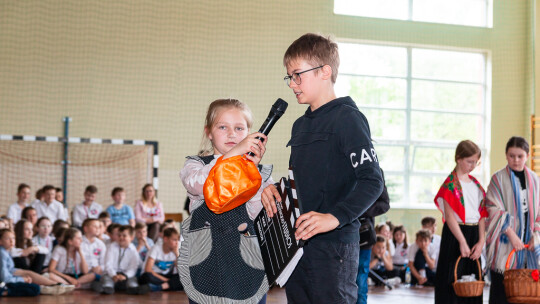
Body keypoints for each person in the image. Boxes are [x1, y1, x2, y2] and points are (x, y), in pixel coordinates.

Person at [261, 33, 383, 304]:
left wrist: (334, 217)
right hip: (297, 247)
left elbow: (372, 181)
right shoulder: (299, 125)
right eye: (289, 77)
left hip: (334, 247)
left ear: (325, 71)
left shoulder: (348, 119)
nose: (292, 84)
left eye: (297, 75)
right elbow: (304, 183)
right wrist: (276, 193)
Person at [179, 98, 274, 304]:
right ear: (209, 132)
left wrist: (255, 179)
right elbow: (200, 185)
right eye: (223, 127)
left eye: (239, 128)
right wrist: (233, 155)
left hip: (248, 266)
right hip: (205, 266)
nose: (232, 134)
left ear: (249, 133)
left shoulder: (260, 172)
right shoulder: (195, 165)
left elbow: (261, 213)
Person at [485, 136, 540, 304]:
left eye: (520, 156)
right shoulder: (498, 179)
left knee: (526, 293)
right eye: (511, 156)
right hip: (505, 245)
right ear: (506, 155)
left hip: (528, 246)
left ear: (527, 156)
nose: (515, 160)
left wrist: (535, 236)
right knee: (501, 294)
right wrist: (511, 234)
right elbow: (492, 209)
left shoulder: (536, 180)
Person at [433, 140, 487, 303]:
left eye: (475, 162)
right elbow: (450, 218)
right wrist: (462, 242)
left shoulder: (476, 185)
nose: (472, 166)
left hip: (474, 233)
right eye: (469, 161)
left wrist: (481, 241)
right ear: (458, 158)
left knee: (472, 280)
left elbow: (482, 214)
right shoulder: (450, 185)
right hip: (455, 235)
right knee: (451, 279)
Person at [0, 228, 73, 295]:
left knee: (29, 273)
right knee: (34, 288)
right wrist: (22, 279)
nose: (12, 241)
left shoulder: (6, 251)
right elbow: (5, 279)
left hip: (10, 277)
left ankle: (54, 285)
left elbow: (11, 270)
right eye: (7, 239)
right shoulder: (2, 253)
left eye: (13, 238)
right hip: (5, 283)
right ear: (0, 241)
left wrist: (23, 274)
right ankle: (52, 286)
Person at [92, 225, 149, 295]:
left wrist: (125, 276)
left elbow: (133, 267)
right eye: (119, 235)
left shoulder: (133, 250)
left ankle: (134, 289)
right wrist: (113, 275)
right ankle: (106, 288)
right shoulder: (111, 247)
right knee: (107, 280)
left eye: (124, 236)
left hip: (125, 276)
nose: (121, 238)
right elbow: (108, 264)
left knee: (132, 281)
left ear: (131, 238)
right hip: (112, 275)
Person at [140, 227, 182, 292]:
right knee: (146, 277)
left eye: (178, 240)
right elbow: (148, 270)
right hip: (155, 275)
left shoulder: (177, 249)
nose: (177, 243)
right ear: (165, 239)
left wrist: (176, 254)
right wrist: (165, 280)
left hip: (168, 276)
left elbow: (182, 271)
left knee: (186, 278)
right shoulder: (155, 248)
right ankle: (168, 286)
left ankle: (158, 287)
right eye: (174, 240)